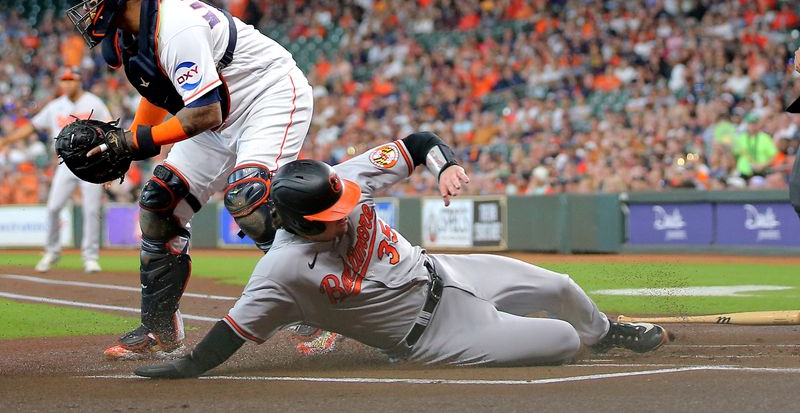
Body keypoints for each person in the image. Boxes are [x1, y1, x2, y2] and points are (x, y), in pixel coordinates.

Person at [134, 132, 670, 378]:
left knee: (560, 287)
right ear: (297, 224)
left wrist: (445, 164)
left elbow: (417, 143)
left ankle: (606, 331)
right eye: (331, 217)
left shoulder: (340, 180)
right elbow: (229, 332)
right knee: (559, 339)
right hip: (437, 337)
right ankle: (551, 333)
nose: (344, 214)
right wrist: (181, 367)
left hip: (447, 271)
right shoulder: (282, 271)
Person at [63, 0, 319, 359]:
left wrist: (133, 141)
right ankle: (160, 328)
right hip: (219, 108)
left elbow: (204, 115)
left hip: (266, 94)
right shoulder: (129, 35)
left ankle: (326, 311)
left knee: (250, 199)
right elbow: (160, 94)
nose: (84, 8)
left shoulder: (175, 26)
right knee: (159, 202)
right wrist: (130, 144)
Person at [0, 66, 110, 273]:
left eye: (71, 79)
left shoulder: (94, 102)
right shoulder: (55, 106)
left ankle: (90, 257)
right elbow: (32, 126)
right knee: (53, 207)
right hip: (66, 165)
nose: (67, 83)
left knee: (92, 210)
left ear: (79, 81)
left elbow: (110, 131)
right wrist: (7, 139)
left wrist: (108, 163)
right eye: (64, 80)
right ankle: (52, 251)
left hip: (92, 164)